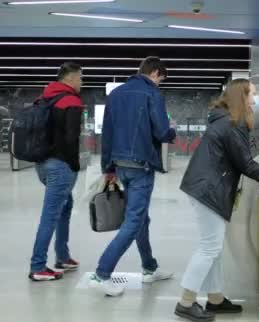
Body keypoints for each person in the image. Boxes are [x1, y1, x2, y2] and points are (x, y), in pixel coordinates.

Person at [175, 79, 259, 322]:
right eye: (253, 94)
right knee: (210, 247)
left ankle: (215, 299)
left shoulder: (226, 120)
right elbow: (246, 164)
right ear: (242, 97)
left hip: (206, 186)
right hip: (208, 189)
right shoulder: (232, 124)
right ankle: (185, 302)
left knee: (214, 248)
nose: (256, 99)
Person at [93, 56, 176, 296]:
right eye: (161, 79)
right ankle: (102, 274)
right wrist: (172, 132)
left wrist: (107, 168)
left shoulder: (116, 94)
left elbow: (106, 134)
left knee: (141, 218)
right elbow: (161, 131)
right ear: (155, 73)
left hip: (119, 164)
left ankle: (149, 268)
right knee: (133, 221)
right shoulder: (152, 94)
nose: (160, 84)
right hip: (141, 165)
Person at [28, 62, 84, 281]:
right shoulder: (71, 101)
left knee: (65, 205)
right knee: (50, 215)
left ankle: (62, 256)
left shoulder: (43, 99)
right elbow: (72, 139)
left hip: (41, 164)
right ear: (69, 78)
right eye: (80, 78)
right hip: (61, 166)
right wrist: (74, 165)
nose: (81, 82)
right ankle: (38, 266)